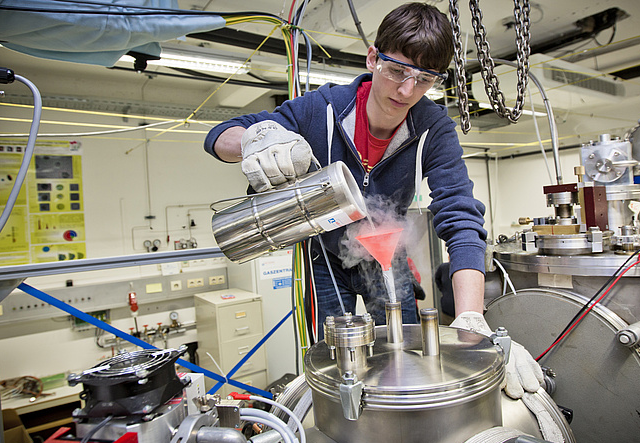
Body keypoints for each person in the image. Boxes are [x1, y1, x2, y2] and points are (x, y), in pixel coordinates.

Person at [204, 2, 542, 399]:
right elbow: (217, 136)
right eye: (397, 70)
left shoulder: (433, 128)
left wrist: (471, 318)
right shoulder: (319, 110)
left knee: (410, 355)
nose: (406, 90)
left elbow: (460, 215)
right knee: (333, 362)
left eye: (424, 79)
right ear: (372, 57)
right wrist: (254, 140)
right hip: (325, 256)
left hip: (388, 253)